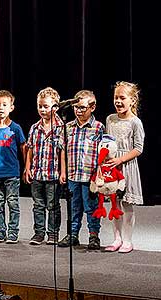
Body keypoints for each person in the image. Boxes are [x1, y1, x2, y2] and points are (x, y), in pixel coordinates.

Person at [57, 90, 105, 250]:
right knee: (73, 207)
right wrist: (63, 172)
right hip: (72, 175)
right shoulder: (68, 127)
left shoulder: (98, 127)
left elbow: (102, 153)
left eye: (83, 107)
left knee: (91, 207)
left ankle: (93, 236)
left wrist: (99, 173)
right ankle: (73, 234)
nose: (78, 110)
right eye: (76, 107)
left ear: (93, 107)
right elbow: (63, 150)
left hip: (90, 176)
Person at [104, 81, 144, 253]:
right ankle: (116, 238)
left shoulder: (135, 122)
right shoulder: (110, 119)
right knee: (114, 204)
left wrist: (120, 160)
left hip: (127, 167)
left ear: (132, 100)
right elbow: (107, 142)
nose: (118, 101)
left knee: (127, 204)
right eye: (116, 98)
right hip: (112, 167)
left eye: (122, 98)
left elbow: (138, 148)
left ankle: (128, 240)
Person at [24, 87, 66, 245]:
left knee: (53, 205)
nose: (42, 109)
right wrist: (28, 168)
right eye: (40, 106)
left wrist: (63, 171)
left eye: (46, 106)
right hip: (37, 174)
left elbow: (62, 152)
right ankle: (39, 233)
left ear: (55, 107)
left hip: (53, 174)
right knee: (38, 205)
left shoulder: (61, 128)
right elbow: (30, 149)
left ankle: (53, 233)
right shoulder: (35, 128)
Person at [0, 90, 26, 244]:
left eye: (4, 105)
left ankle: (13, 232)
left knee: (13, 203)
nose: (1, 107)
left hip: (12, 173)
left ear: (11, 108)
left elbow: (23, 147)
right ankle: (0, 232)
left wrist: (26, 167)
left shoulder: (15, 128)